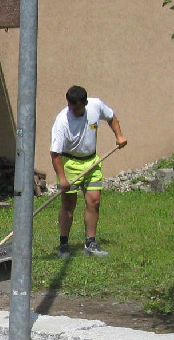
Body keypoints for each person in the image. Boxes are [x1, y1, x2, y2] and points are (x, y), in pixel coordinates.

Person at [49, 84, 127, 258]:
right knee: (68, 205)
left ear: (85, 103)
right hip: (69, 163)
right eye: (70, 107)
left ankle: (90, 243)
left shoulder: (95, 105)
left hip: (91, 161)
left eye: (77, 107)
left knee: (94, 201)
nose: (73, 111)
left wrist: (119, 136)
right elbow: (55, 154)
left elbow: (112, 117)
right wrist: (62, 179)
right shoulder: (62, 121)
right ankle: (64, 244)